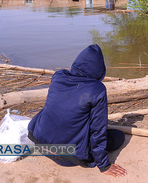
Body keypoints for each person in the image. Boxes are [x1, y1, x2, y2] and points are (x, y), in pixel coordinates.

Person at [28, 44, 127, 178]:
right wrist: (104, 166)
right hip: (68, 157)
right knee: (118, 136)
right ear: (98, 70)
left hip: (39, 142)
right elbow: (97, 131)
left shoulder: (59, 76)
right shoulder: (97, 89)